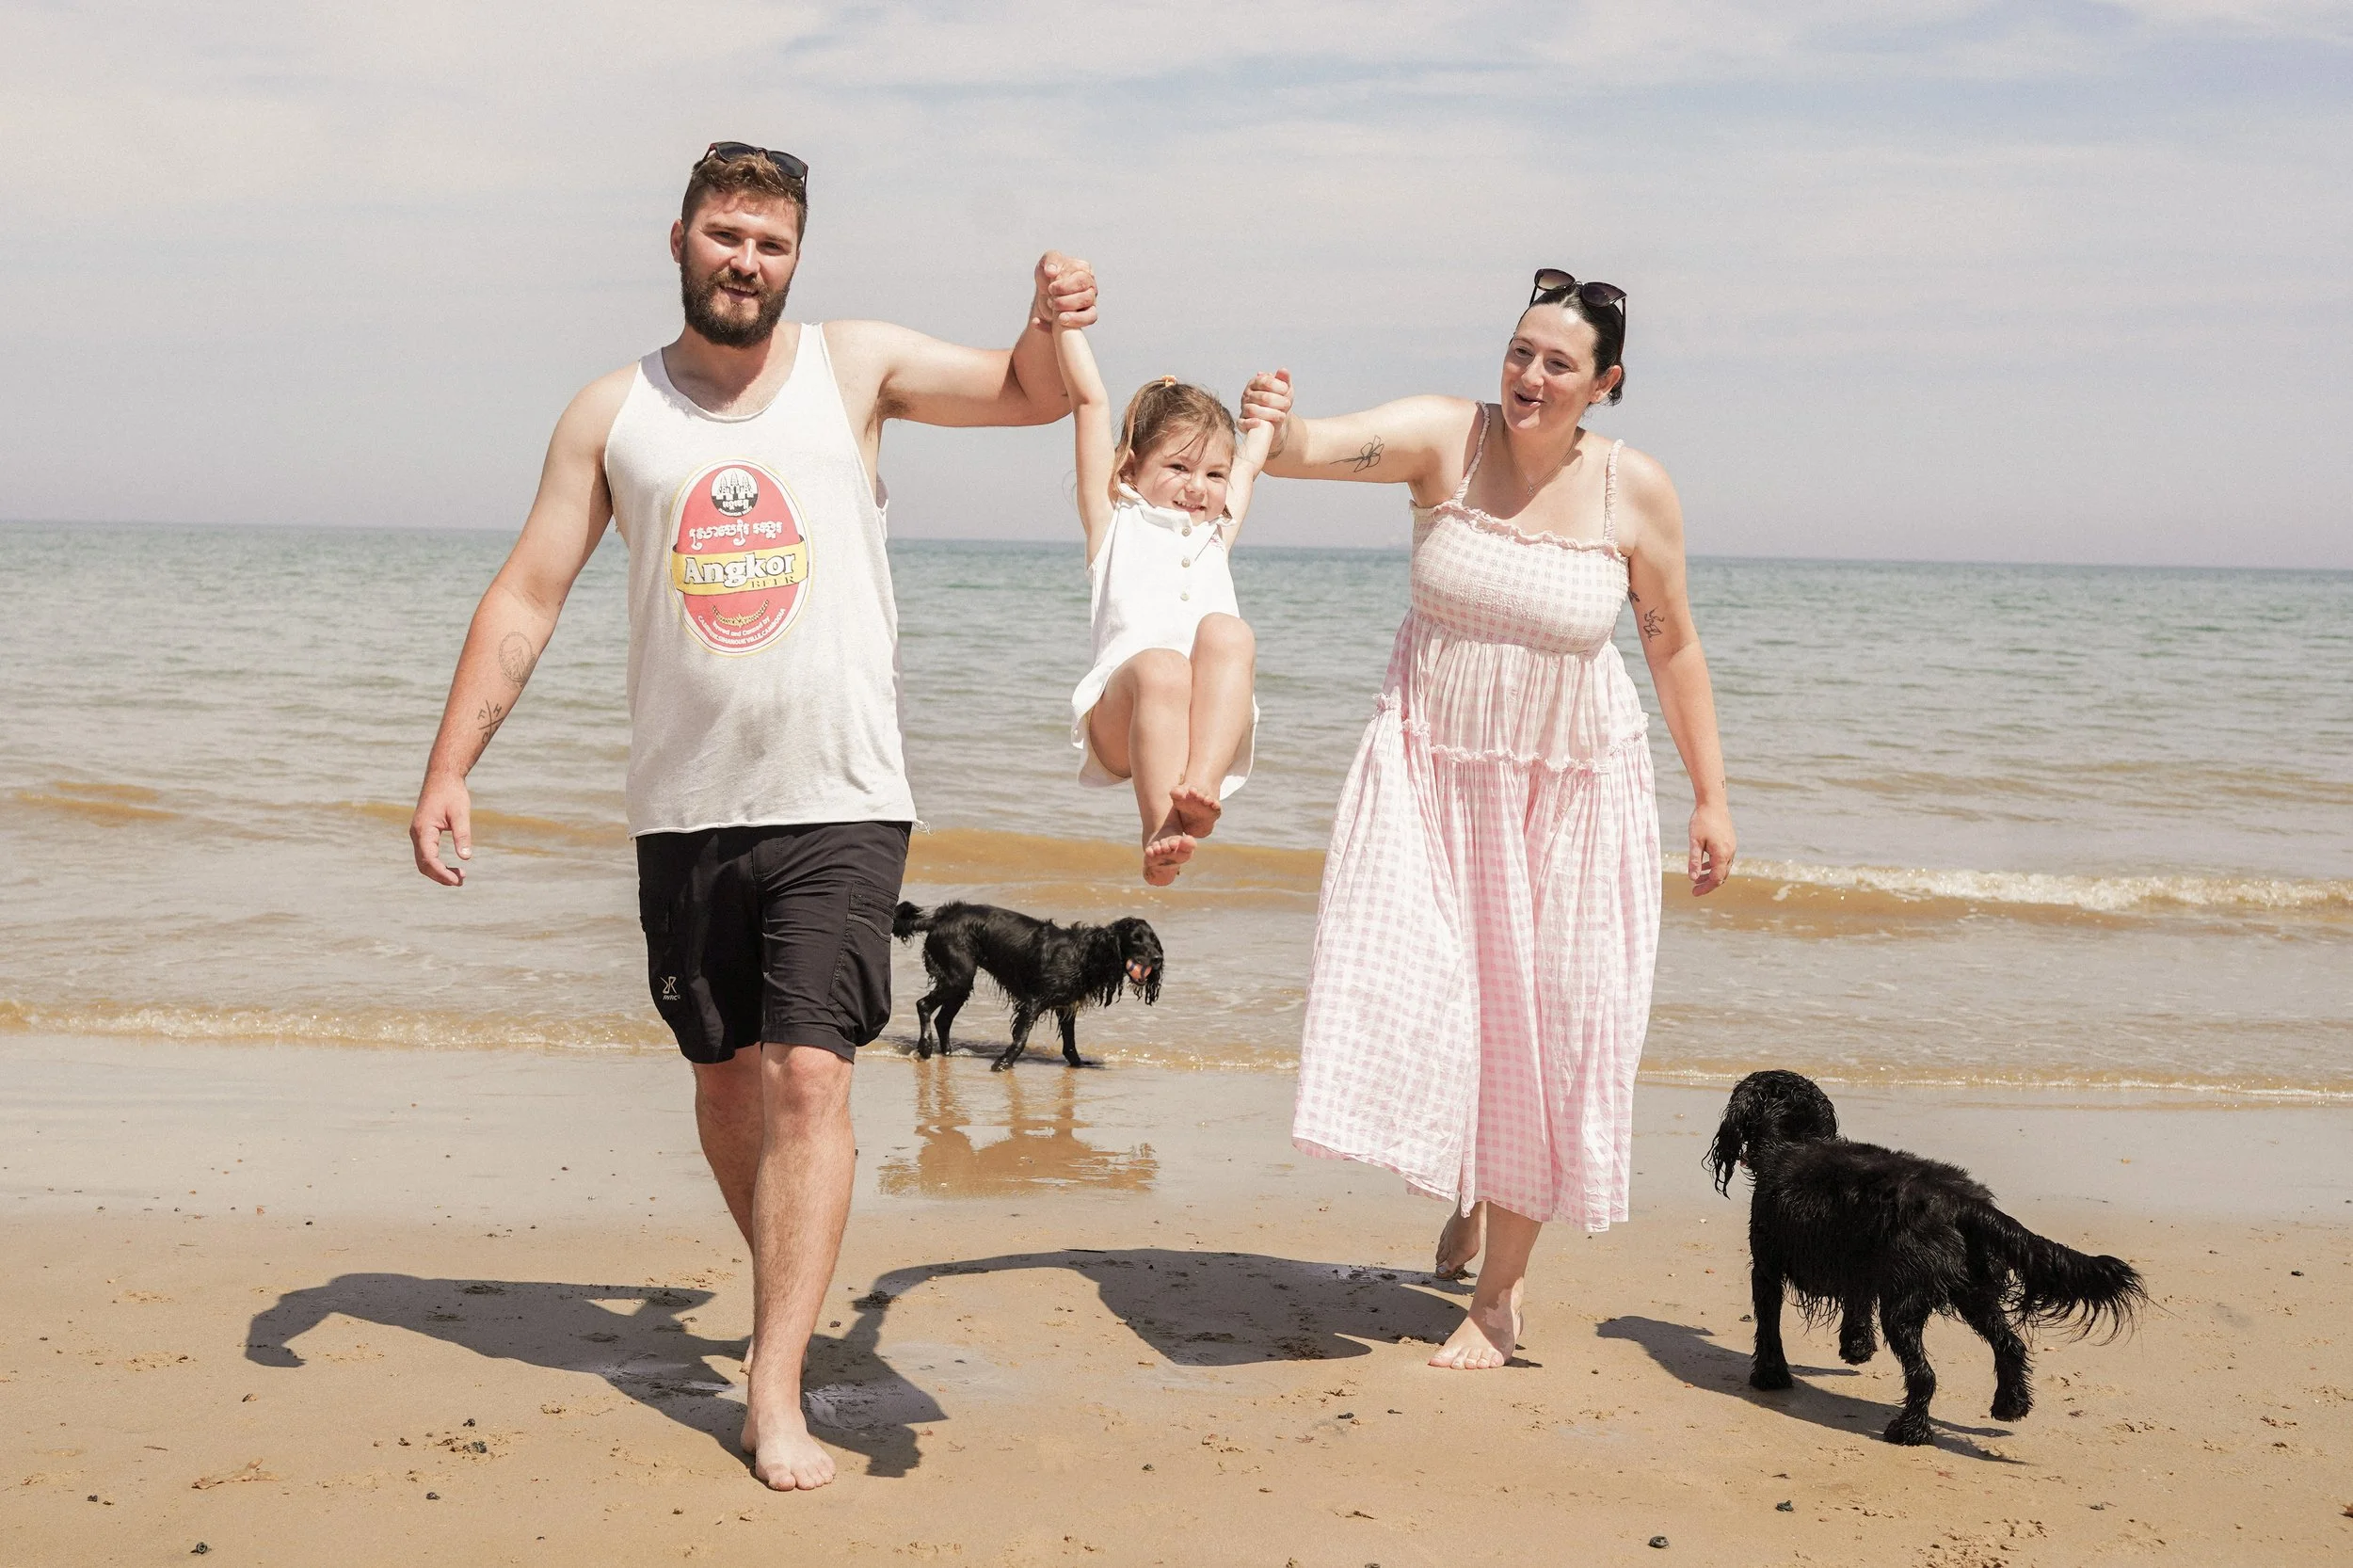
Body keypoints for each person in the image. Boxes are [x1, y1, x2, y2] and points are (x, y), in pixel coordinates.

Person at [406, 141, 1098, 1490]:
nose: (747, 262)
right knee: (726, 1078)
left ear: (797, 257)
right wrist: (450, 765)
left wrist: (1050, 317)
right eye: (727, 235)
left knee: (807, 1072)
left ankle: (773, 1383)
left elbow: (1025, 394)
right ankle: (790, 1275)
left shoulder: (857, 369)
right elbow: (528, 595)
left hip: (841, 791)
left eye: (772, 243)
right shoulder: (615, 414)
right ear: (678, 239)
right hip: (686, 807)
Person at [1241, 268, 1736, 1369]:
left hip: (1572, 788)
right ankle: (1471, 1176)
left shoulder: (1631, 491)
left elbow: (1670, 641)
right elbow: (1313, 447)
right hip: (1430, 769)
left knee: (1549, 1020)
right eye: (1519, 351)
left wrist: (1708, 793)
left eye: (1559, 362)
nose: (1529, 375)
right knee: (1426, 988)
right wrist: (1272, 422)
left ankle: (1499, 1296)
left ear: (1603, 383)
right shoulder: (1443, 442)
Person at [1054, 322, 1271, 885]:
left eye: (1213, 473)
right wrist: (1065, 325)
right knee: (1162, 666)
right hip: (1123, 717)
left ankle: (1197, 790)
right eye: (1178, 467)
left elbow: (1249, 462)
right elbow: (1089, 400)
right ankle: (1158, 831)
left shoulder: (1215, 533)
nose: (1198, 486)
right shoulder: (1113, 520)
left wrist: (1266, 417)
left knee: (1230, 632)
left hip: (1200, 727)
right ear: (1130, 467)